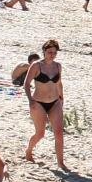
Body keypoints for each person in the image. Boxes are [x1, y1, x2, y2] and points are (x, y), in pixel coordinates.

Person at [22, 39, 67, 169]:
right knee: (40, 133)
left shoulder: (58, 66)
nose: (52, 55)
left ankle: (60, 162)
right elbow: (26, 84)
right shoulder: (36, 65)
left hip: (55, 102)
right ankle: (29, 150)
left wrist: (62, 99)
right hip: (38, 102)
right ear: (44, 52)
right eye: (49, 52)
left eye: (54, 52)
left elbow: (58, 83)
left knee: (58, 133)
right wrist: (30, 100)